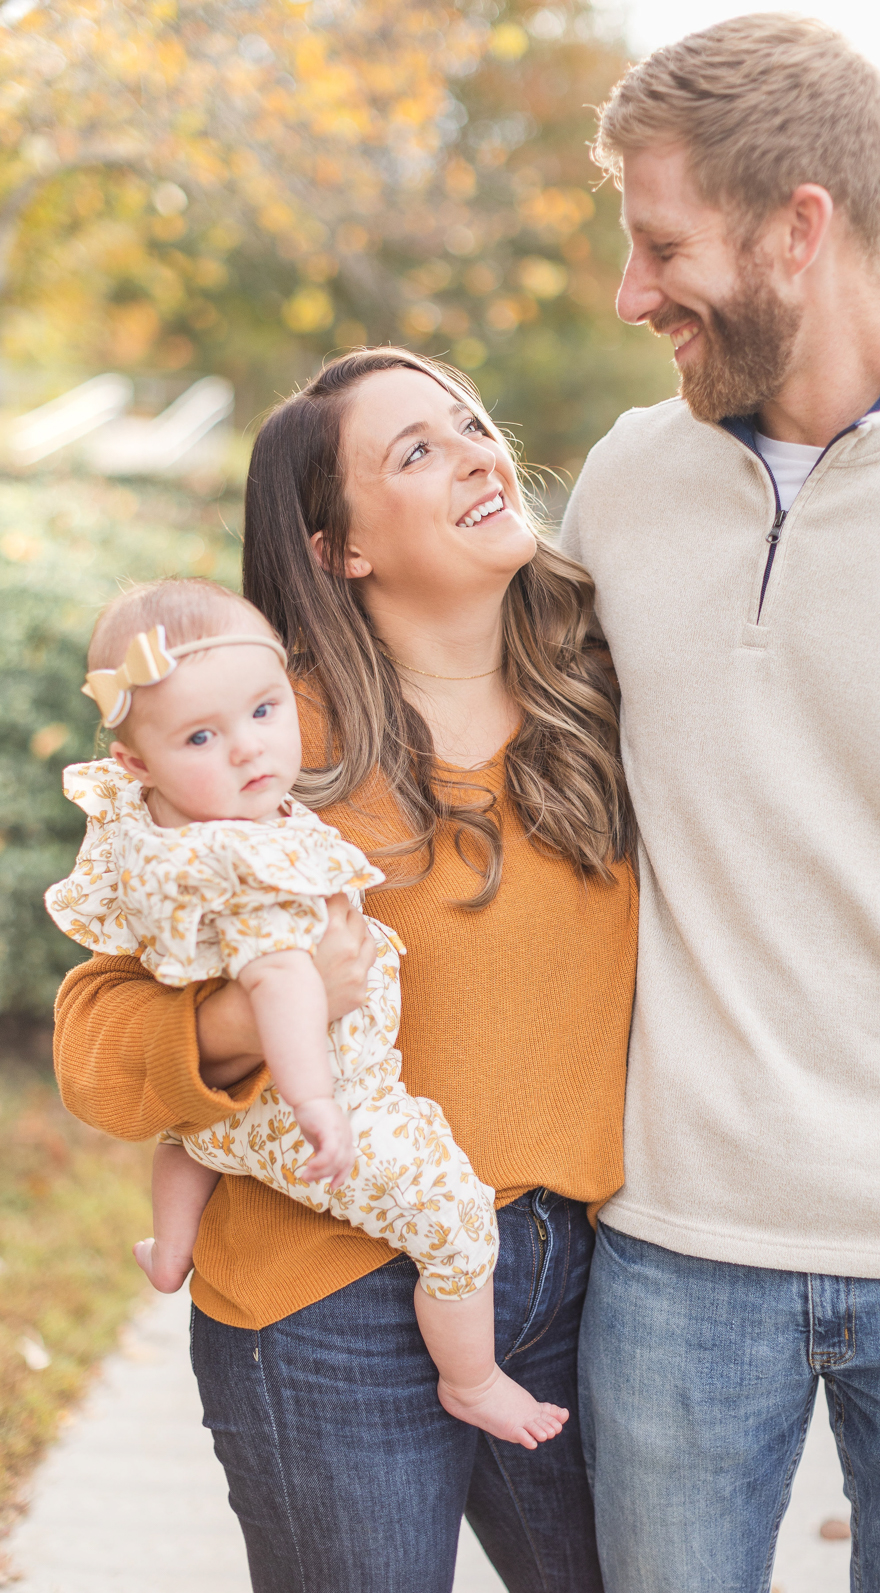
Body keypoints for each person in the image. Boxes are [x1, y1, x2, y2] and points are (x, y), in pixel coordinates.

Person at [561, 15, 880, 1592]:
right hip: (672, 1251)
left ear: (799, 225)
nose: (631, 294)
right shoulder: (626, 483)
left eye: (659, 245)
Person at [52, 349, 637, 1593]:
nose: (481, 453)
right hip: (327, 1300)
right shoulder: (260, 736)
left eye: (473, 423)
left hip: (571, 1284)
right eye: (415, 452)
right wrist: (264, 1003)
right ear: (337, 549)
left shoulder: (604, 707)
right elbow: (97, 1053)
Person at [47, 578, 566, 1451]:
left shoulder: (158, 825)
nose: (250, 750)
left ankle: (169, 1251)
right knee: (456, 1220)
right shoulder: (249, 862)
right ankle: (472, 1378)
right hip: (324, 1103)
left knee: (190, 1142)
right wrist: (320, 1100)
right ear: (137, 760)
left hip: (228, 1129)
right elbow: (285, 981)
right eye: (203, 736)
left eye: (264, 710)